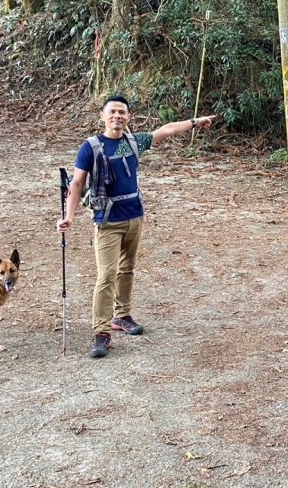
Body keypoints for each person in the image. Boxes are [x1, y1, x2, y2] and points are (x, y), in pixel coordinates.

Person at [57, 93, 216, 358]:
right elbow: (75, 183)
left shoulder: (133, 142)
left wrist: (196, 121)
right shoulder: (91, 147)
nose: (117, 116)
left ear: (128, 117)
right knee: (106, 276)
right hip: (107, 221)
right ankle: (101, 332)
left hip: (134, 217)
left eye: (122, 112)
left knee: (127, 269)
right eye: (112, 112)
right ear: (103, 116)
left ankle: (122, 316)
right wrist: (69, 218)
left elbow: (166, 131)